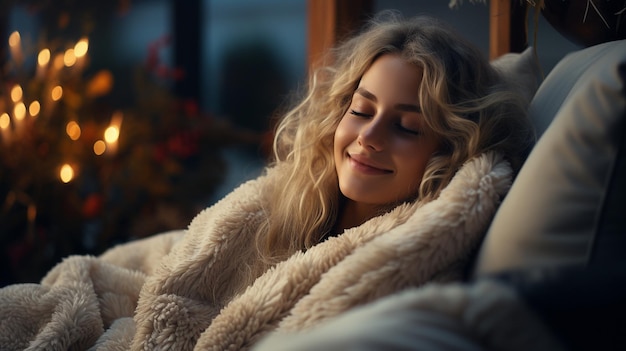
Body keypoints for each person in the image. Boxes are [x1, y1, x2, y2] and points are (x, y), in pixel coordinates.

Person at [0, 13, 534, 351]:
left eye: (406, 127)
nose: (368, 137)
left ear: (449, 149)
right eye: (360, 109)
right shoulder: (294, 198)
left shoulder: (408, 254)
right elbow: (169, 269)